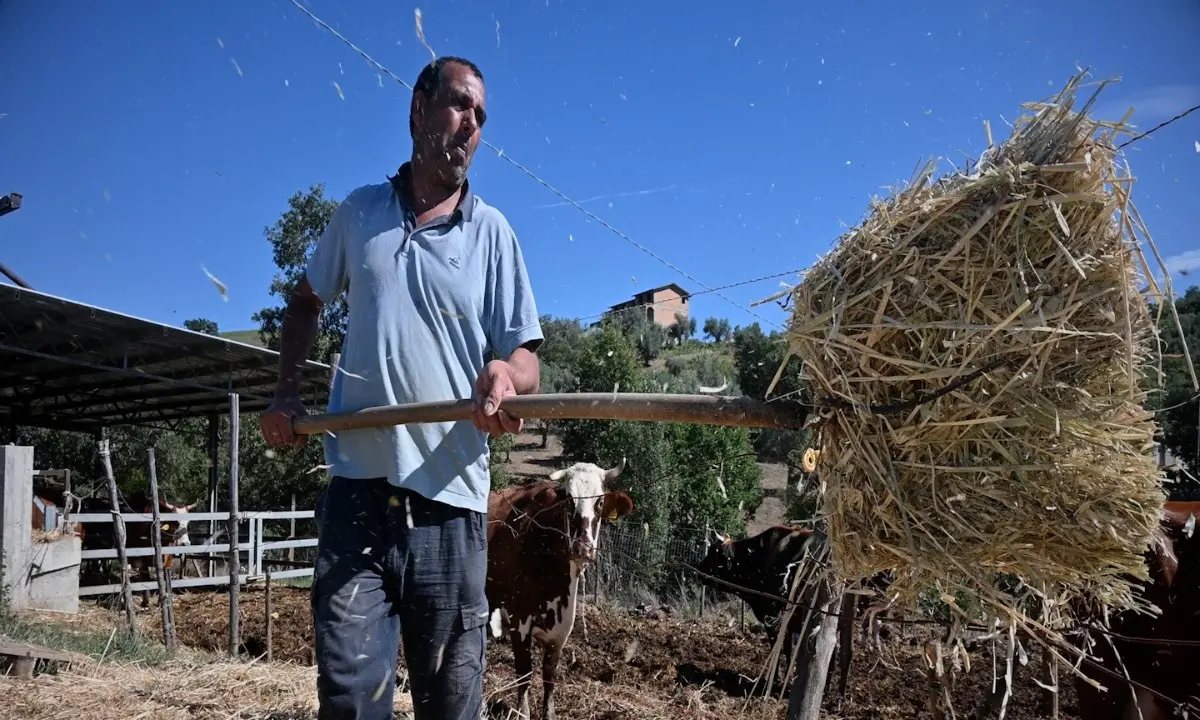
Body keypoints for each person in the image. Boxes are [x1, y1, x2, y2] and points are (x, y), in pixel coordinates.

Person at [259, 55, 543, 720]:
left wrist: (507, 374)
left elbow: (524, 357)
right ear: (417, 110)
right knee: (352, 702)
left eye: (480, 116)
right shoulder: (360, 215)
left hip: (450, 509)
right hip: (357, 499)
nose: (470, 125)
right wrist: (285, 391)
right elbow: (304, 303)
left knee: (451, 705)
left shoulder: (492, 234)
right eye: (458, 105)